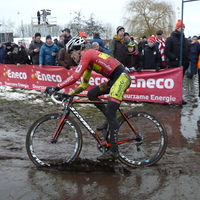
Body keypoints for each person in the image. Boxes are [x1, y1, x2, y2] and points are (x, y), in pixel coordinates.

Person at [45, 36, 131, 160]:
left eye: (71, 53)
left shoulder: (88, 54)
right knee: (91, 94)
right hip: (114, 80)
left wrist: (57, 87)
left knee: (112, 112)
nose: (71, 57)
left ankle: (114, 150)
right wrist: (71, 93)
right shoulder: (88, 61)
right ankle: (109, 119)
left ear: (78, 49)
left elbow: (75, 76)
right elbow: (84, 84)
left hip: (122, 78)